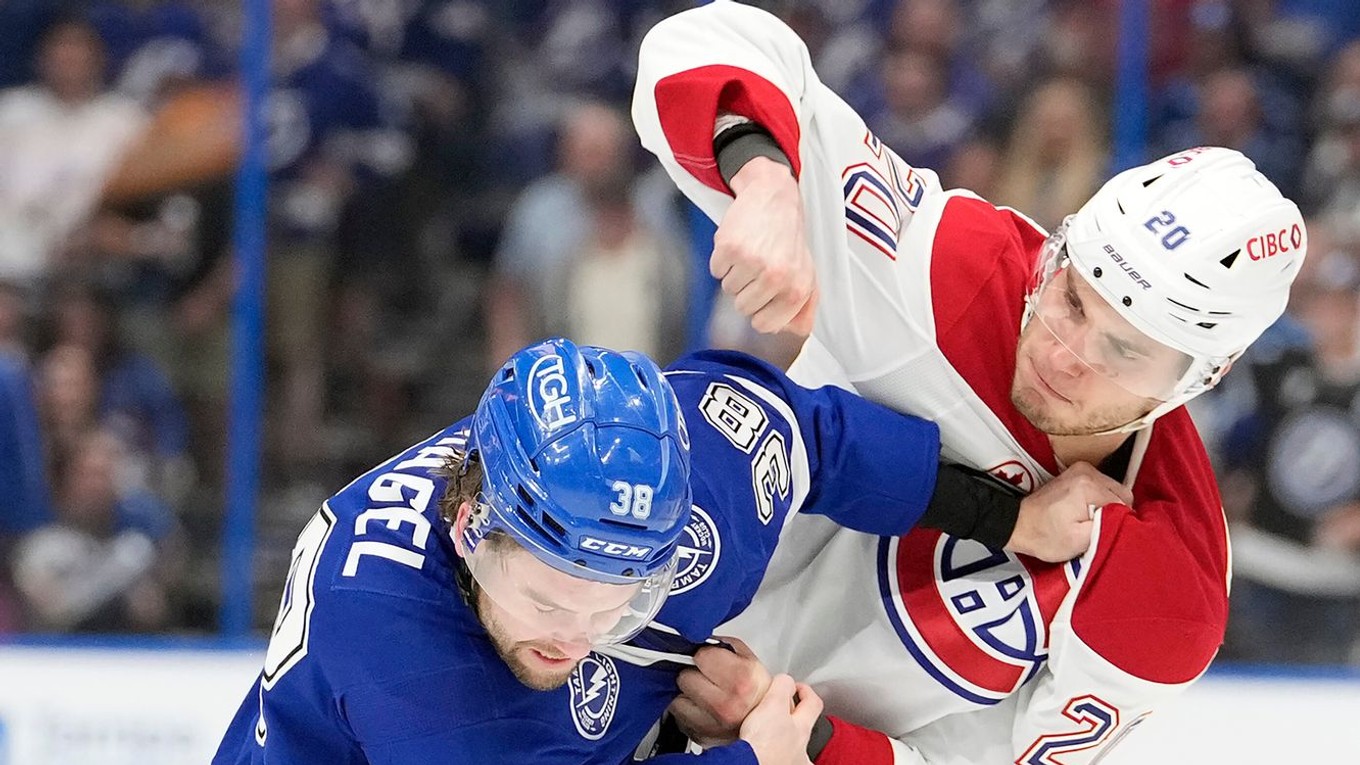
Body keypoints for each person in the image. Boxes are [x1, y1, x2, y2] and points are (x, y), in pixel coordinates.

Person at [630, 2, 1308, 762]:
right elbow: (707, 37)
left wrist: (808, 738)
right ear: (1056, 252)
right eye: (1073, 297)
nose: (1062, 352)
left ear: (1202, 378)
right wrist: (765, 181)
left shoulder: (1165, 587)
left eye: (1122, 352)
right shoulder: (947, 276)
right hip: (605, 626)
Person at [213, 337, 1120, 764]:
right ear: (469, 530)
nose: (575, 636)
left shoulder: (704, 464)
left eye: (617, 597)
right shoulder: (410, 667)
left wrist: (1007, 518)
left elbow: (819, 438)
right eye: (546, 600)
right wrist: (751, 757)